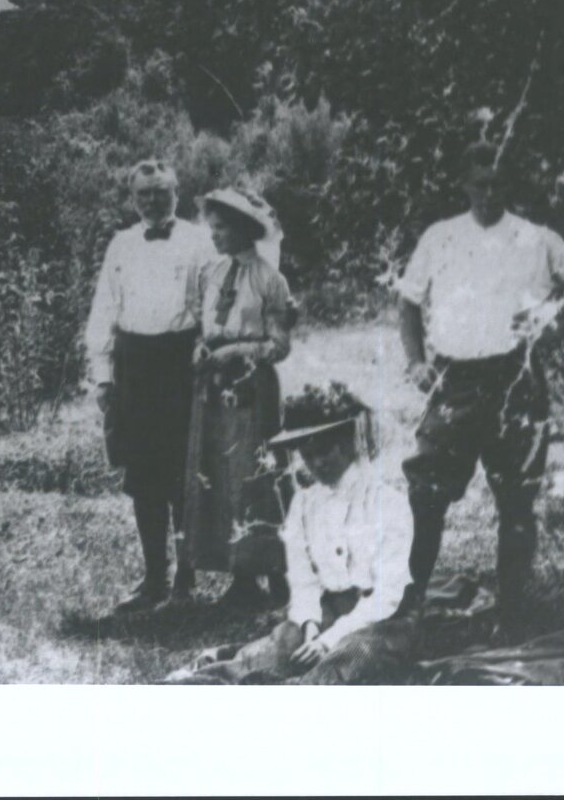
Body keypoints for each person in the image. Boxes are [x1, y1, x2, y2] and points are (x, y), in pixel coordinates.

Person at [397, 141, 564, 639]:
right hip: (455, 381)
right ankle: (408, 604)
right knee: (426, 491)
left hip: (517, 382)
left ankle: (513, 615)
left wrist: (552, 328)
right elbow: (408, 301)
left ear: (508, 186)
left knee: (515, 502)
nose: (489, 194)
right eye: (480, 184)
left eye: (497, 184)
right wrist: (416, 362)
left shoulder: (536, 239)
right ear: (465, 185)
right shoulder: (441, 237)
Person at [171, 387, 419, 684]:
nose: (317, 463)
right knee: (280, 649)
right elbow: (303, 579)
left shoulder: (387, 502)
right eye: (308, 455)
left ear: (346, 444)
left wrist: (329, 640)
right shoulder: (305, 503)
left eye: (325, 451)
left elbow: (388, 593)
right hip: (328, 610)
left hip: (382, 619)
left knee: (349, 656)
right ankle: (204, 680)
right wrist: (310, 624)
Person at [83, 159, 214, 612]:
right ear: (133, 198)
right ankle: (153, 577)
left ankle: (186, 579)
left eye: (161, 191)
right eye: (144, 193)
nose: (153, 201)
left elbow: (213, 306)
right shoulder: (121, 244)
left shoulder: (200, 241)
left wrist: (207, 352)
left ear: (177, 192)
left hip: (182, 364)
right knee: (143, 475)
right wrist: (103, 377)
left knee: (182, 474)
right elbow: (104, 309)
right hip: (134, 365)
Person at [182, 185, 293, 610]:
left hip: (250, 387)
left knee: (255, 474)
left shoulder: (269, 279)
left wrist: (233, 352)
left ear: (245, 229)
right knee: (220, 474)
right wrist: (201, 349)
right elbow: (205, 327)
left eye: (222, 228)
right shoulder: (212, 274)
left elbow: (278, 346)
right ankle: (239, 576)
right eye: (212, 228)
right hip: (213, 389)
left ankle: (276, 571)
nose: (214, 235)